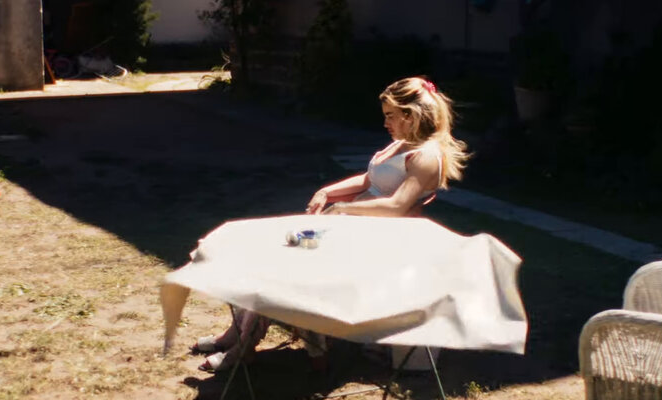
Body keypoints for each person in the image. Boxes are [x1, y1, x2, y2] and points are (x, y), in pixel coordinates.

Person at [191, 76, 470, 372]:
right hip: (352, 230)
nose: (385, 123)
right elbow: (369, 180)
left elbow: (397, 205)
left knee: (280, 263)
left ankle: (245, 346)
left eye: (390, 115)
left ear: (410, 115)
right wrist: (327, 192)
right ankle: (237, 336)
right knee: (270, 251)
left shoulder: (427, 156)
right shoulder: (401, 145)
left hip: (377, 242)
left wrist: (343, 208)